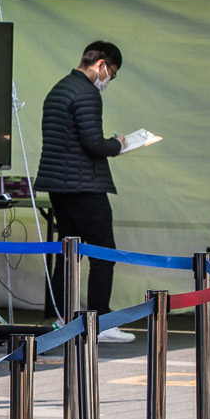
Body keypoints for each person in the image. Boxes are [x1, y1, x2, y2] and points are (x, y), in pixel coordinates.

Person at [37, 41, 135, 343]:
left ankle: (63, 318)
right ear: (101, 64)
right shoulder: (87, 93)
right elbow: (93, 143)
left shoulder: (59, 88)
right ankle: (101, 321)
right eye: (112, 73)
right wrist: (119, 143)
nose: (109, 80)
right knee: (103, 253)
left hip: (58, 184)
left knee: (69, 253)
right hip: (84, 185)